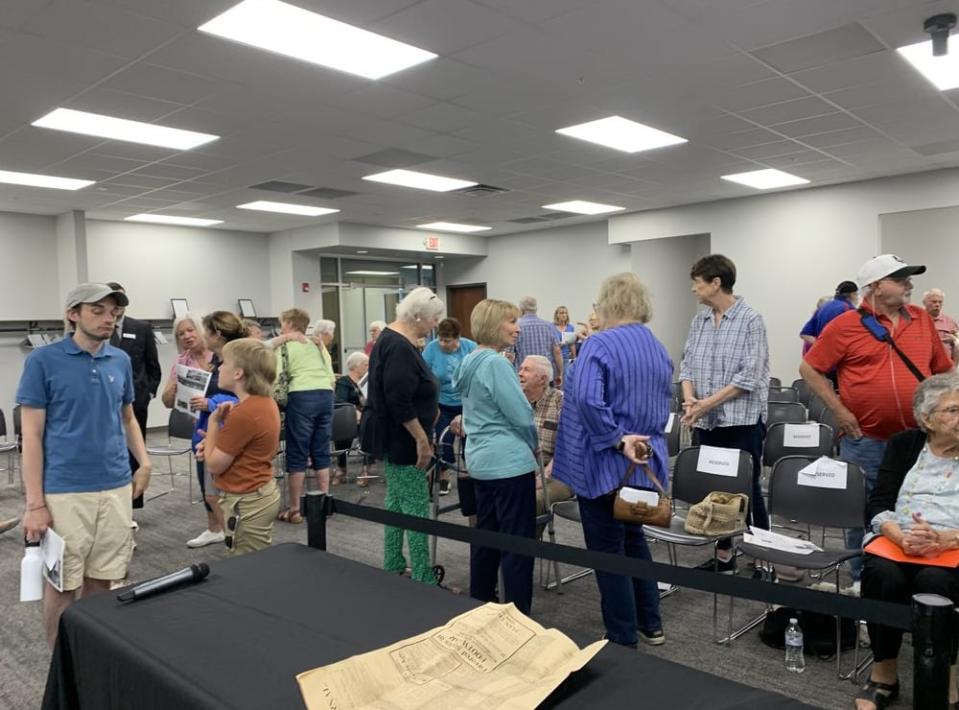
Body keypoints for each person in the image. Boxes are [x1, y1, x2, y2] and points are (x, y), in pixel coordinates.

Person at [801, 254, 952, 588]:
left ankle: (914, 579)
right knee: (863, 511)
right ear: (875, 287)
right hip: (866, 438)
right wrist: (840, 411)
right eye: (900, 280)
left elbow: (943, 370)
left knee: (921, 506)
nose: (909, 285)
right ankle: (864, 579)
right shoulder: (844, 326)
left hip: (919, 440)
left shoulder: (922, 321)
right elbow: (809, 369)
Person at [17, 283, 152, 648]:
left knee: (103, 579)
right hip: (65, 490)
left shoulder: (120, 360)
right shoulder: (42, 362)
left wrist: (144, 462)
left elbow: (127, 418)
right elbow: (30, 437)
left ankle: (90, 655)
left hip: (115, 485)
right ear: (73, 314)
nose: (109, 318)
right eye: (98, 310)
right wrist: (35, 504)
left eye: (114, 312)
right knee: (63, 583)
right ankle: (61, 662)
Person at [553, 273, 673, 647]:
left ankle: (622, 637)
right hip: (647, 462)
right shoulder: (657, 346)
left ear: (609, 304)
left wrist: (617, 439)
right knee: (634, 540)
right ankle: (650, 623)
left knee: (608, 552)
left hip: (606, 466)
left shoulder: (599, 344)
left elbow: (588, 399)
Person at [855, 373, 959, 710]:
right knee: (882, 576)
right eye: (954, 411)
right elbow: (878, 502)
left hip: (952, 546)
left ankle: (946, 677)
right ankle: (885, 673)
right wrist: (898, 535)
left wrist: (946, 539)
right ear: (927, 419)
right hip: (899, 540)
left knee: (936, 582)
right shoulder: (903, 445)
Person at [679, 254, 770, 575]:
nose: (693, 289)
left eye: (697, 282)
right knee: (715, 489)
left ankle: (763, 558)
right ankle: (725, 557)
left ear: (716, 283)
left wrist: (706, 404)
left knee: (748, 490)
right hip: (707, 421)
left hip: (741, 421)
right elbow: (686, 364)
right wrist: (691, 400)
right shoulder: (699, 321)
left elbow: (750, 376)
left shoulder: (750, 320)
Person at [454, 299, 538, 615]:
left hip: (481, 463)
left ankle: (481, 609)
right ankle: (517, 618)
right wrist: (533, 446)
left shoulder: (469, 360)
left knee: (485, 540)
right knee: (517, 546)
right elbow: (522, 415)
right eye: (511, 321)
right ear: (493, 324)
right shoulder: (497, 364)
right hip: (509, 465)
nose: (517, 327)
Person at [361, 288, 444, 584]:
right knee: (416, 507)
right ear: (418, 315)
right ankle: (423, 576)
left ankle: (393, 561)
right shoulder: (398, 345)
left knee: (396, 503)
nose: (435, 324)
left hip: (398, 436)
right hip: (403, 439)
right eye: (434, 318)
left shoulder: (395, 339)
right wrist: (422, 439)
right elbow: (399, 400)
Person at [195, 339, 282, 556]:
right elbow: (241, 446)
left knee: (248, 566)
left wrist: (214, 424)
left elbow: (214, 465)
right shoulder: (263, 402)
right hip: (257, 494)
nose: (218, 367)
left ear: (238, 373)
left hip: (247, 500)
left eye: (223, 363)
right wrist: (213, 442)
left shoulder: (245, 413)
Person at [185, 311, 248, 548]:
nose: (202, 336)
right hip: (208, 430)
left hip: (226, 433)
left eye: (205, 331)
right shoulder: (219, 361)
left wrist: (210, 403)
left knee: (221, 494)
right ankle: (227, 536)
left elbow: (245, 398)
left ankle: (236, 541)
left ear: (217, 334)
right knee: (212, 493)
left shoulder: (238, 360)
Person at [275, 311, 335, 522]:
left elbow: (277, 377)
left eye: (282, 323)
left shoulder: (283, 345)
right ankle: (324, 502)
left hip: (301, 396)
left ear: (289, 324)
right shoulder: (317, 344)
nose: (280, 327)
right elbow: (330, 375)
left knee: (298, 451)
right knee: (321, 449)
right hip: (325, 396)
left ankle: (295, 509)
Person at [106, 282, 161, 509]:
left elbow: (152, 365)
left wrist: (148, 392)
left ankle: (132, 504)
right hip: (106, 403)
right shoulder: (98, 331)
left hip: (136, 401)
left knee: (134, 453)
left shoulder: (141, 327)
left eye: (120, 300)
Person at [421, 317, 476, 495]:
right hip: (442, 402)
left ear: (457, 337)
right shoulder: (431, 349)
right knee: (444, 442)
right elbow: (424, 375)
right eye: (441, 339)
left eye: (448, 340)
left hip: (467, 402)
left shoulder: (470, 347)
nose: (443, 343)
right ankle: (444, 476)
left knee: (471, 441)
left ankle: (472, 475)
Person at [517, 355, 571, 516]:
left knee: (534, 499)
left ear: (543, 379)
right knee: (482, 491)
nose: (519, 373)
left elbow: (568, 446)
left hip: (559, 471)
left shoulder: (561, 402)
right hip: (520, 467)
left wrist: (545, 475)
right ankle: (485, 541)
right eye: (520, 368)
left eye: (526, 370)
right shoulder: (515, 400)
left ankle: (525, 542)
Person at [334, 351, 372, 487]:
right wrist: (354, 412)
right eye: (365, 365)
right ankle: (341, 468)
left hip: (366, 416)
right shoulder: (344, 382)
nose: (368, 367)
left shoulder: (368, 380)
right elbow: (340, 400)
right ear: (355, 367)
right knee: (343, 430)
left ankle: (366, 470)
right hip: (349, 416)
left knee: (370, 429)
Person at [512, 296, 563, 387]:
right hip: (545, 376)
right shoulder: (549, 326)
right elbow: (557, 351)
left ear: (521, 310)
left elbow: (509, 355)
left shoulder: (516, 327)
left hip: (524, 377)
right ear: (536, 309)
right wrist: (560, 373)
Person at [800, 281, 859, 354]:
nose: (857, 298)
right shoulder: (848, 309)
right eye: (857, 295)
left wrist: (821, 346)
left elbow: (805, 333)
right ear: (852, 294)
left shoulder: (823, 307)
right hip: (838, 359)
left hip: (822, 358)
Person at [923, 288, 959, 361]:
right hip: (922, 365)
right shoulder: (917, 320)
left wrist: (955, 340)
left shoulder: (950, 323)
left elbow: (958, 345)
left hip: (944, 367)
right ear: (924, 302)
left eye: (940, 302)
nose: (937, 305)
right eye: (934, 302)